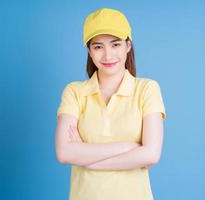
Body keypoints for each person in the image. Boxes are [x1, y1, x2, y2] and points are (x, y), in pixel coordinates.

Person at [55, 7, 166, 200]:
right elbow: (64, 152)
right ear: (89, 50)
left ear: (128, 46)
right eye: (98, 46)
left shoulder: (147, 89)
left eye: (115, 45)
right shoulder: (74, 92)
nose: (108, 55)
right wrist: (129, 147)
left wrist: (89, 160)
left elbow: (151, 155)